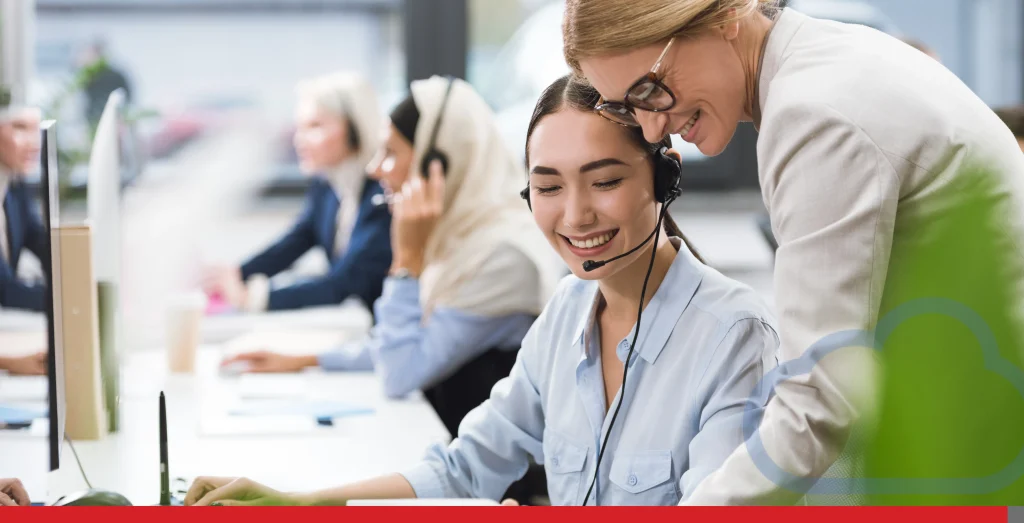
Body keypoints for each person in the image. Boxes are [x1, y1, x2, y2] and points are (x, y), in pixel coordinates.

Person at [185, 75, 779, 507]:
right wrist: (302, 502)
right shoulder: (567, 312)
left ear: (663, 175)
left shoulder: (731, 336)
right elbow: (467, 467)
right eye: (547, 188)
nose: (575, 215)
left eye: (605, 181)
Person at [562, 0, 1024, 505]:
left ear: (724, 17)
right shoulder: (825, 60)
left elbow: (822, 398)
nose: (653, 130)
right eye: (626, 109)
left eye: (649, 91)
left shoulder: (813, 112)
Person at [221, 76, 562, 440]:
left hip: (489, 485)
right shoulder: (458, 239)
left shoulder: (502, 257)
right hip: (442, 444)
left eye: (391, 154)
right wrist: (306, 360)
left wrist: (407, 261)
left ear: (439, 167)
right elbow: (405, 344)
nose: (375, 168)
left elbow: (399, 372)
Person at [203, 72, 392, 313]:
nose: (299, 139)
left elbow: (344, 284)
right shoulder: (327, 187)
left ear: (356, 127)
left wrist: (254, 297)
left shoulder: (383, 195)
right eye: (299, 127)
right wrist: (236, 275)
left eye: (314, 126)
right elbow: (294, 242)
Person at [0, 97, 46, 314]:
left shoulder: (15, 189)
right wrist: (70, 297)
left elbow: (44, 246)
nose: (34, 142)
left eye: (36, 129)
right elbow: (4, 293)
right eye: (20, 127)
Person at [79, 39, 133, 129]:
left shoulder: (115, 75)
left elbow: (127, 95)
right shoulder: (88, 75)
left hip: (114, 117)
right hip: (93, 118)